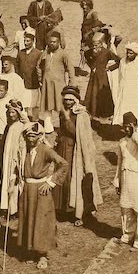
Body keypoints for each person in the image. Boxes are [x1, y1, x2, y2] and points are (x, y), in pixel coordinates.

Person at [14, 123, 68, 269]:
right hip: (27, 190)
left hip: (41, 191)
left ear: (39, 137)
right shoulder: (24, 150)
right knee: (28, 218)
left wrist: (50, 182)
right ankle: (31, 249)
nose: (30, 139)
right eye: (28, 136)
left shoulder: (45, 150)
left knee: (42, 220)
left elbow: (63, 164)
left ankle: (43, 255)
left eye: (33, 136)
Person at [53, 87, 102, 226]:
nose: (67, 102)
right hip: (63, 148)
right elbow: (61, 130)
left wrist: (68, 119)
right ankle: (61, 208)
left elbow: (78, 134)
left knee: (73, 179)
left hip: (75, 151)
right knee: (61, 177)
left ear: (75, 100)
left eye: (70, 100)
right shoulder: (62, 113)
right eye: (65, 99)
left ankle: (76, 210)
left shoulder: (81, 114)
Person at [113, 112, 138, 250]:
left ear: (135, 126)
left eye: (129, 127)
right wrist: (117, 180)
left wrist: (135, 133)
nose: (126, 130)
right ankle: (127, 236)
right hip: (125, 177)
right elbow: (119, 162)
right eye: (125, 127)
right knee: (126, 208)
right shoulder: (122, 142)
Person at [38, 31, 75, 134]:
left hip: (59, 85)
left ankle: (64, 128)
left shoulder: (63, 54)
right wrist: (40, 79)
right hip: (46, 85)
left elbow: (70, 69)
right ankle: (48, 128)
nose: (52, 44)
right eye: (50, 42)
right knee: (47, 106)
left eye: (54, 42)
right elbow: (38, 66)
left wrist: (71, 85)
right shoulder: (45, 53)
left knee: (61, 106)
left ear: (59, 42)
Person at [84, 33, 120, 120]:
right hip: (93, 77)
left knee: (102, 94)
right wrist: (92, 66)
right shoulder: (90, 52)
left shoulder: (106, 52)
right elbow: (87, 58)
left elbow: (119, 61)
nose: (94, 47)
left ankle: (104, 113)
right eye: (93, 45)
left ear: (100, 44)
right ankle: (93, 111)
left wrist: (110, 68)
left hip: (103, 77)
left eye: (96, 45)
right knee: (92, 93)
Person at [0, 100, 27, 214]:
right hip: (7, 157)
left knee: (15, 179)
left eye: (13, 113)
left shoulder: (21, 126)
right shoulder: (9, 127)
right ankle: (7, 207)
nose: (11, 115)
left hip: (16, 157)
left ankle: (15, 209)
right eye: (9, 113)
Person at [16, 28, 42, 119]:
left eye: (28, 41)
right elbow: (17, 66)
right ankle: (24, 120)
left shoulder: (38, 53)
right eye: (24, 41)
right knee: (24, 104)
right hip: (23, 83)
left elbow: (40, 68)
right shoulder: (20, 53)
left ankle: (35, 121)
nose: (26, 43)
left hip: (33, 84)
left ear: (33, 41)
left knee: (34, 104)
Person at [79, 0, 104, 69]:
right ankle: (93, 68)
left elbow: (98, 26)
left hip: (92, 37)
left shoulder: (93, 13)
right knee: (84, 53)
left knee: (89, 52)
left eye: (85, 5)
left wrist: (88, 33)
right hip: (85, 37)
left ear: (89, 6)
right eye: (83, 5)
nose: (84, 7)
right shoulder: (85, 13)